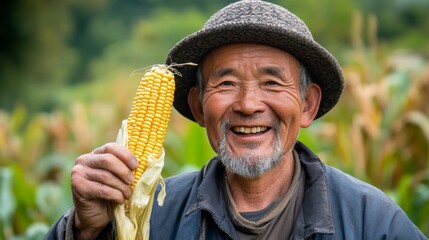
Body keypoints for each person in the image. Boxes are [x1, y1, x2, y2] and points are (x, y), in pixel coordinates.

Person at [46, 1, 427, 239]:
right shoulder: (148, 218)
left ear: (308, 105)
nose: (248, 104)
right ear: (198, 107)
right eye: (226, 82)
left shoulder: (372, 222)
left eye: (271, 82)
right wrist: (87, 230)